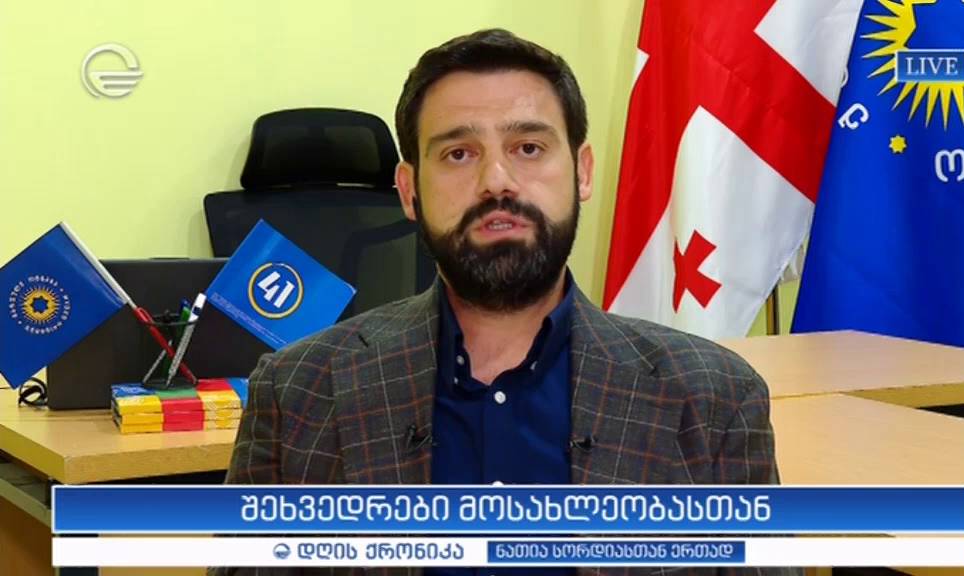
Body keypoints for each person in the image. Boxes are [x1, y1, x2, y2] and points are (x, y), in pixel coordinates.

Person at [215, 28, 792, 576]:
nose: (497, 181)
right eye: (458, 154)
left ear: (582, 172)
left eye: (528, 147)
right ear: (410, 192)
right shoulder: (297, 391)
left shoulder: (712, 398)